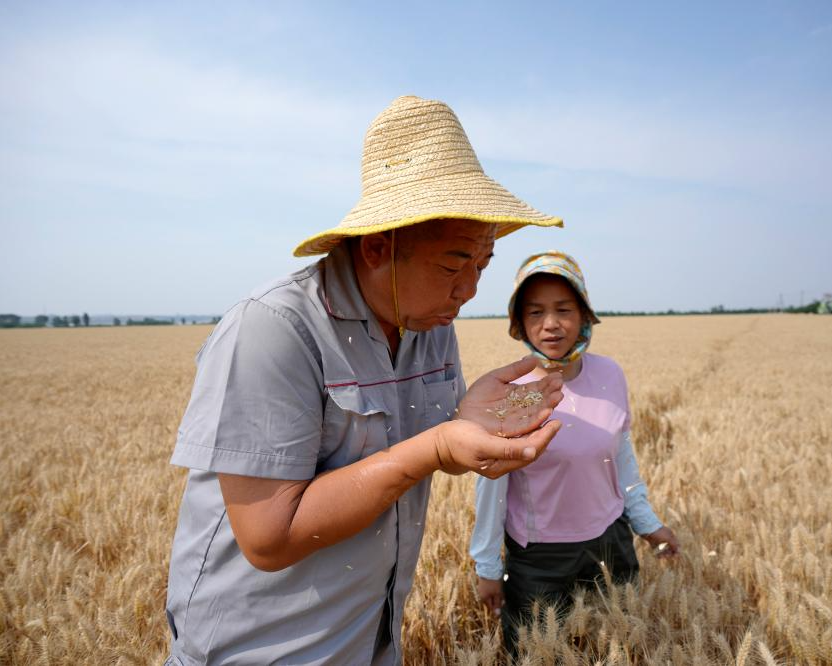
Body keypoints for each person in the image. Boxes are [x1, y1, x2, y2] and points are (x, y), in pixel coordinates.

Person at [163, 96, 567, 665]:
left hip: (371, 640)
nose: (469, 289)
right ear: (379, 247)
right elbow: (269, 535)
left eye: (483, 264)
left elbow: (426, 448)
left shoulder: (428, 323)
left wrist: (463, 428)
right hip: (259, 651)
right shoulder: (275, 329)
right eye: (453, 266)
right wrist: (437, 446)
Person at [469, 251, 681, 657]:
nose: (550, 324)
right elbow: (490, 486)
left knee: (615, 648)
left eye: (563, 309)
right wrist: (488, 568)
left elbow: (621, 458)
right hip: (539, 556)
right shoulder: (512, 393)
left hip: (611, 543)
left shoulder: (610, 374)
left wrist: (648, 524)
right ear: (519, 323)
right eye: (535, 312)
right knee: (534, 654)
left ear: (584, 315)